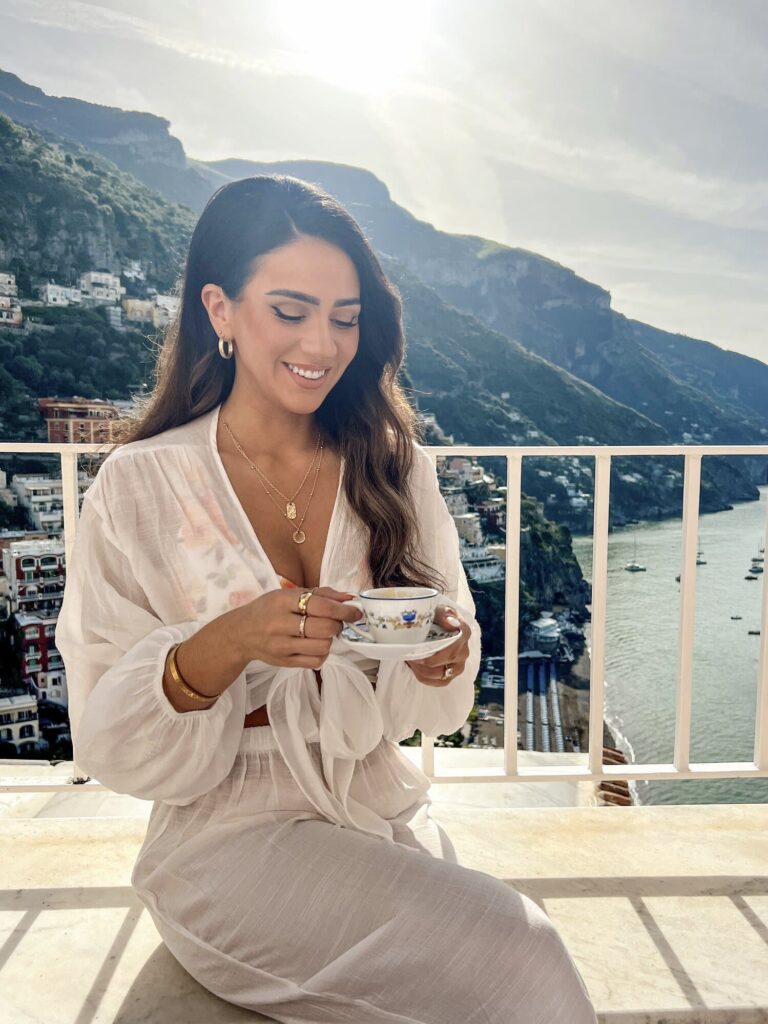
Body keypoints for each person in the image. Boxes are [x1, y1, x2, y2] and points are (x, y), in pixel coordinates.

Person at [55, 174, 597, 1023]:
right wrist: (225, 642)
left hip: (370, 806)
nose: (324, 342)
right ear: (221, 310)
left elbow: (438, 688)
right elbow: (108, 741)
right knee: (518, 949)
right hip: (224, 841)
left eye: (345, 318)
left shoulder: (395, 465)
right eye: (291, 309)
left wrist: (444, 653)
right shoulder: (140, 485)